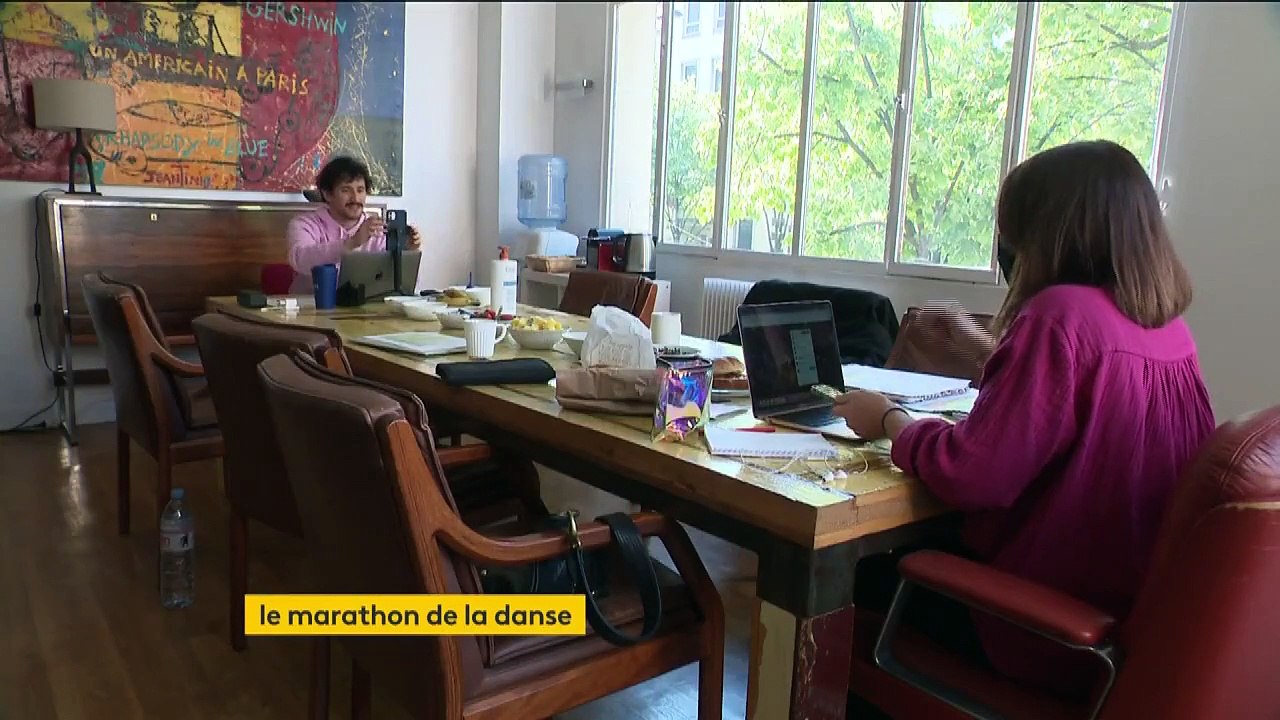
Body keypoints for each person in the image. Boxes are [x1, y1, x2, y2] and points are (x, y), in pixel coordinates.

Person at [833, 140, 1215, 701]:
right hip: (1127, 626)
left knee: (856, 573)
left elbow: (974, 475)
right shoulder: (1170, 333)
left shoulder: (1059, 318)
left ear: (1050, 232)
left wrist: (889, 418)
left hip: (1040, 626)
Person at [285, 156, 421, 293]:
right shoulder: (303, 224)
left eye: (360, 190)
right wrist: (352, 242)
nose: (355, 198)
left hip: (368, 309)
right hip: (311, 308)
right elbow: (301, 259)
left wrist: (408, 253)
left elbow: (401, 286)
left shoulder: (378, 229)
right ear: (327, 194)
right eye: (346, 190)